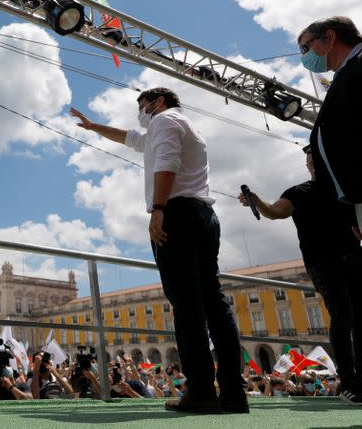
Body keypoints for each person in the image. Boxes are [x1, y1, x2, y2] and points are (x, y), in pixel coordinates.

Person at [70, 88, 246, 414]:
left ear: (159, 102)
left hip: (177, 214)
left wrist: (158, 208)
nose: (142, 113)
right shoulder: (182, 124)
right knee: (214, 302)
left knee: (187, 305)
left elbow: (167, 161)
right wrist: (94, 127)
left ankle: (201, 391)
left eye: (143, 106)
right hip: (204, 215)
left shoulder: (163, 121)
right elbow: (129, 138)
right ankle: (234, 393)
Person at [240, 145, 362, 402]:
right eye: (310, 158)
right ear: (309, 165)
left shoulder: (346, 191)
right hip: (323, 263)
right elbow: (275, 211)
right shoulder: (300, 192)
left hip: (353, 259)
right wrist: (257, 200)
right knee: (343, 315)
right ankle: (350, 383)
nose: (312, 161)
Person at [298, 16, 362, 233]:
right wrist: (352, 212)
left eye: (305, 47)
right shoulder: (344, 75)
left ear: (330, 37)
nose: (304, 57)